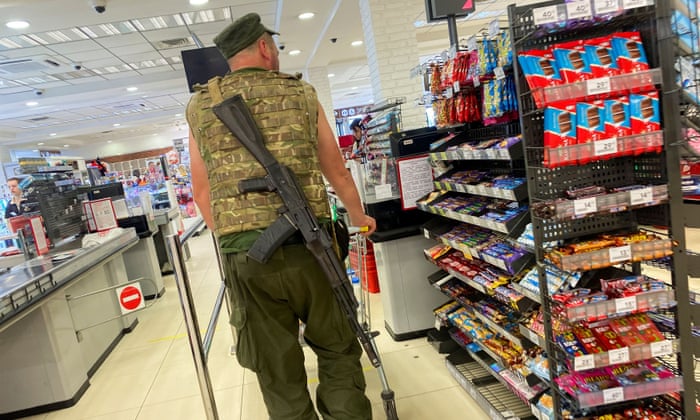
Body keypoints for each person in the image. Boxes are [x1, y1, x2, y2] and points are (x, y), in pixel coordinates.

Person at [186, 12, 376, 420]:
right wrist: (359, 217)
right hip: (314, 251)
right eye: (273, 45)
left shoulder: (202, 106)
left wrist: (240, 241)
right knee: (338, 348)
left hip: (246, 256)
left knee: (277, 368)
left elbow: (202, 192)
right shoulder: (302, 93)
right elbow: (338, 171)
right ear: (263, 47)